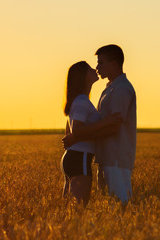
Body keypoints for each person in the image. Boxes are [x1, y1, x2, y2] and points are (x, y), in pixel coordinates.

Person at [63, 45, 136, 204]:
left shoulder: (121, 89)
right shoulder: (108, 89)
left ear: (114, 64)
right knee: (109, 205)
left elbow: (114, 126)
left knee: (119, 205)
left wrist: (76, 137)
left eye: (101, 63)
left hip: (116, 157)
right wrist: (76, 136)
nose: (97, 68)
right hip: (105, 157)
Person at [60, 61, 123, 207]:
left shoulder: (80, 100)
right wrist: (107, 122)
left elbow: (70, 128)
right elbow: (76, 130)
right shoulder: (82, 101)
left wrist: (74, 139)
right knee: (79, 209)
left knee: (69, 209)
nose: (94, 69)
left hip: (73, 157)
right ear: (83, 77)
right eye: (89, 69)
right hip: (80, 158)